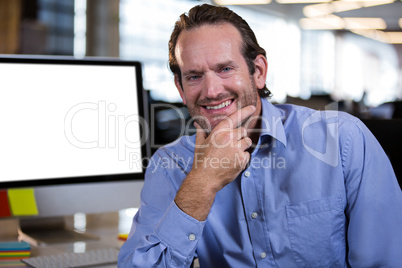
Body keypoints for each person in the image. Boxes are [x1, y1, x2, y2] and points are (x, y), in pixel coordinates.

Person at [118, 4, 402, 267]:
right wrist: (201, 183)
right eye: (194, 76)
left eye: (225, 69)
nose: (212, 90)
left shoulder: (342, 141)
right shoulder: (170, 165)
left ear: (259, 72)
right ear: (180, 88)